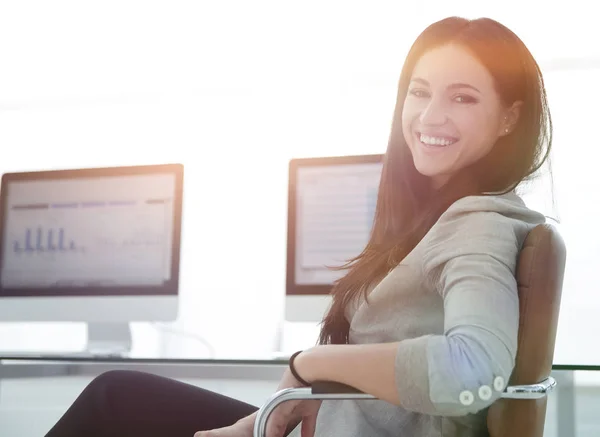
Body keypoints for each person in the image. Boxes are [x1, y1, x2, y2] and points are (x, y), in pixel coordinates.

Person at [44, 15, 553, 437]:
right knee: (120, 395)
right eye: (419, 93)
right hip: (325, 425)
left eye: (462, 98)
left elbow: (470, 372)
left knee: (115, 398)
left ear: (509, 118)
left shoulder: (477, 225)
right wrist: (262, 417)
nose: (429, 116)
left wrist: (312, 363)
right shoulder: (442, 214)